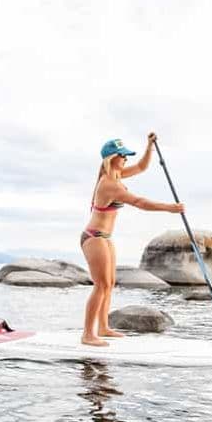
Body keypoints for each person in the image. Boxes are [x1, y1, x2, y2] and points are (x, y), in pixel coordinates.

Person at [80, 133, 184, 346]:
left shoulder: (117, 175)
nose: (126, 159)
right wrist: (170, 208)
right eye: (122, 155)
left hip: (105, 237)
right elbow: (139, 202)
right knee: (100, 285)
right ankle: (87, 335)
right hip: (94, 237)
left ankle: (103, 327)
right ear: (111, 158)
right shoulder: (110, 183)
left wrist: (149, 147)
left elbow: (141, 168)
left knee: (109, 284)